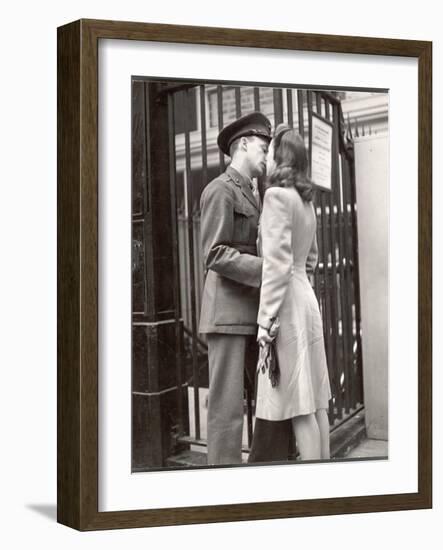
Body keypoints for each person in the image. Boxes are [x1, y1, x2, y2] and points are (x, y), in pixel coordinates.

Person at [253, 124, 332, 460]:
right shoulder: (304, 201)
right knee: (315, 401)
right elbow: (309, 260)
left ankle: (315, 492)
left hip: (286, 303)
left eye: (270, 152)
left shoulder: (276, 197)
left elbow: (276, 266)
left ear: (279, 157)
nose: (267, 157)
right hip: (305, 298)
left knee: (299, 404)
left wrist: (265, 320)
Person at [198, 112, 273, 465]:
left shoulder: (254, 194)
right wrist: (267, 269)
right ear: (242, 144)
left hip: (249, 311)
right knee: (226, 411)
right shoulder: (219, 190)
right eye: (262, 147)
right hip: (226, 314)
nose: (266, 155)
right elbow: (213, 253)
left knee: (264, 402)